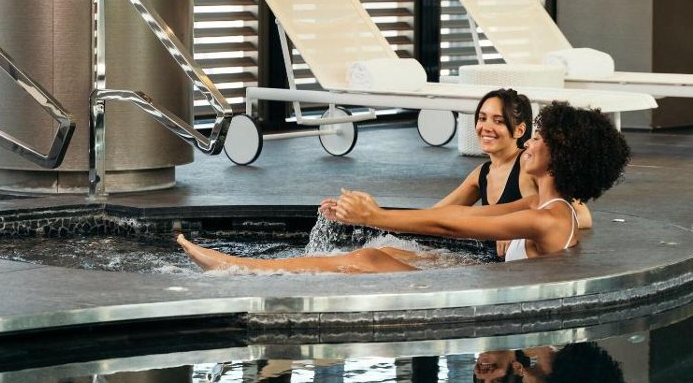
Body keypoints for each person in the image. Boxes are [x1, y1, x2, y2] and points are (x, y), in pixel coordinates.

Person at [176, 101, 629, 273]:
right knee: (390, 250)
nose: (530, 142)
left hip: (494, 301)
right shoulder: (539, 206)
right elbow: (457, 215)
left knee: (371, 257)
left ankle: (239, 267)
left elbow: (452, 227)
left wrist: (374, 216)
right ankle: (257, 266)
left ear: (562, 156)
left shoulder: (547, 217)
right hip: (491, 276)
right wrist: (373, 216)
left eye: (539, 138)